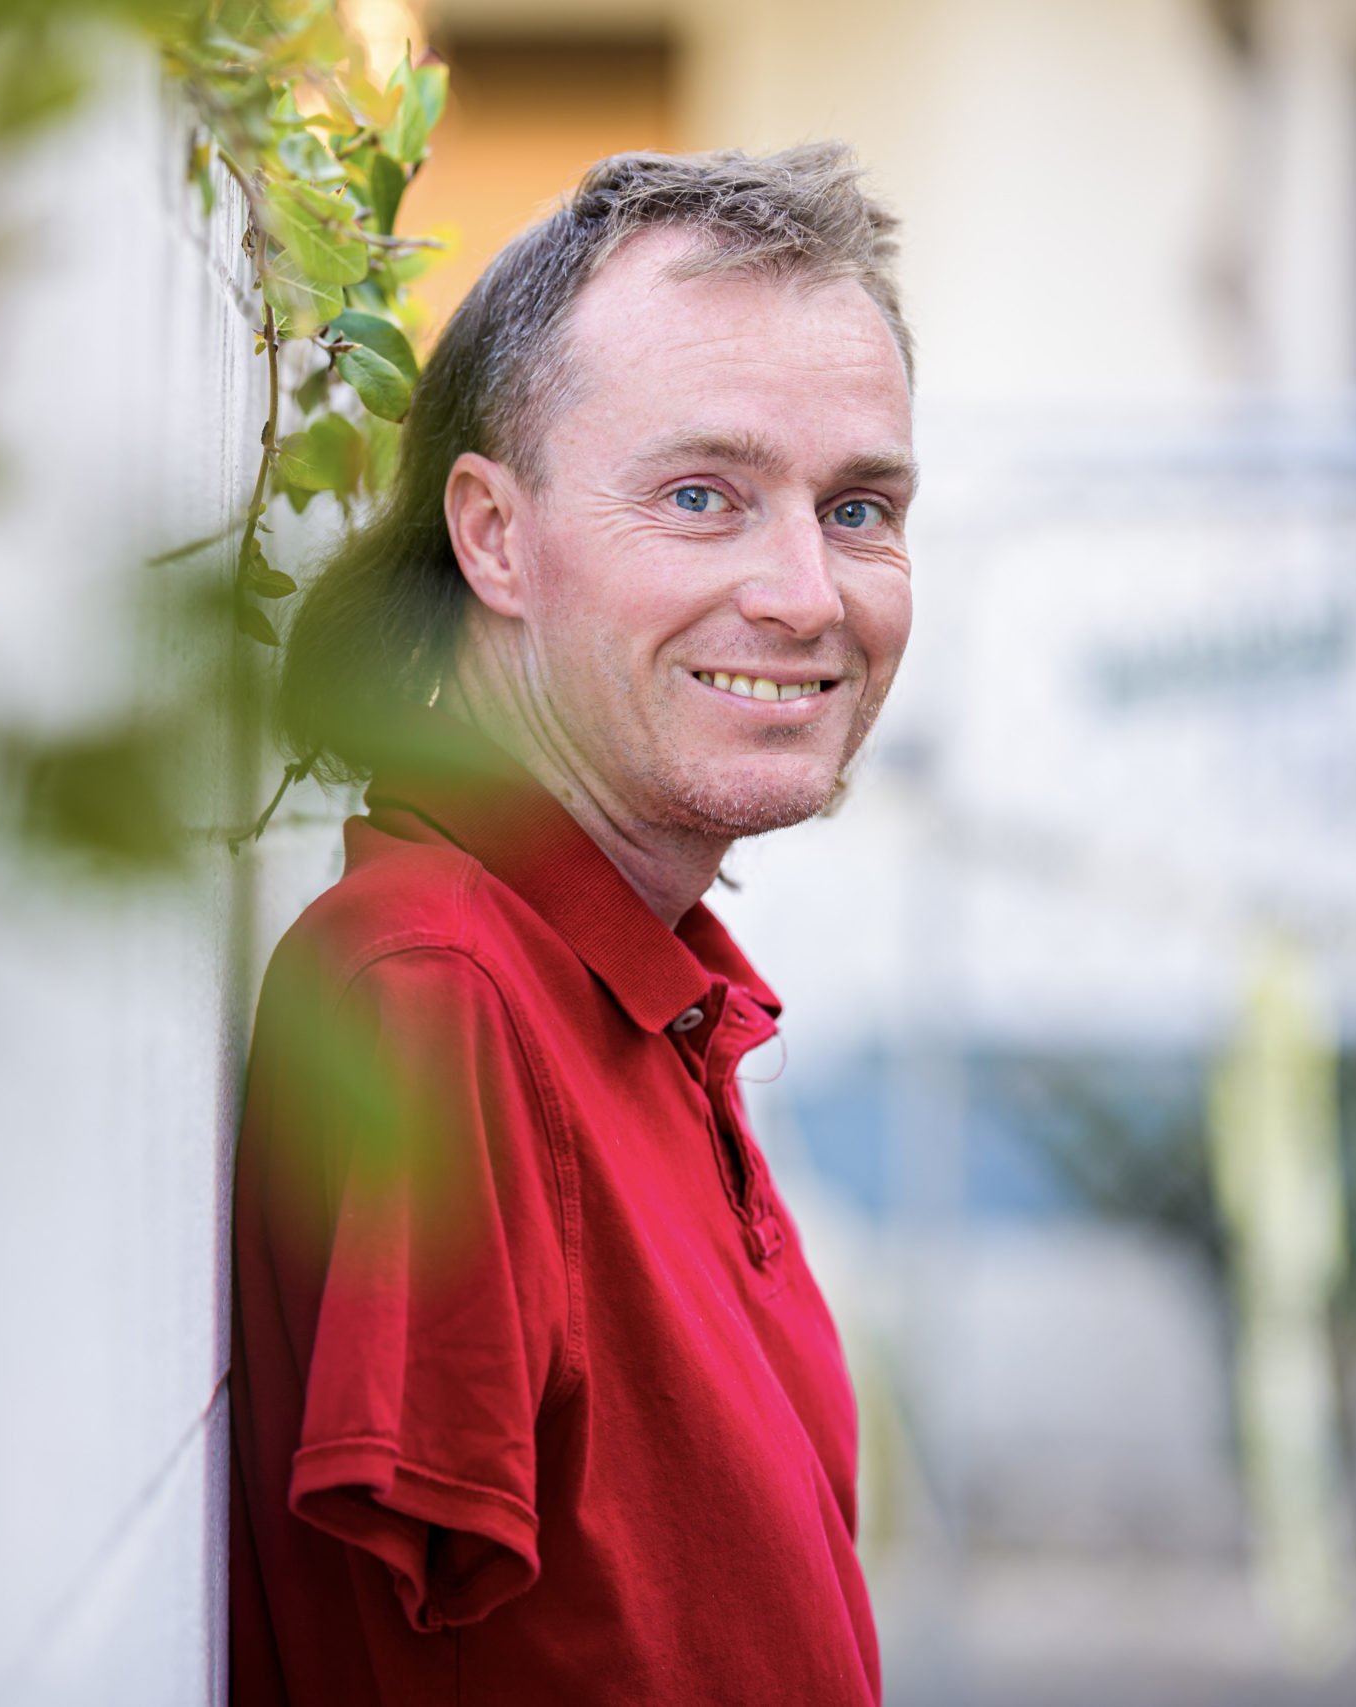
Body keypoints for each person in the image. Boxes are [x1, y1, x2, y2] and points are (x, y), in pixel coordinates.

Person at [229, 143, 915, 1706]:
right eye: (701, 496)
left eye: (860, 507)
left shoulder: (628, 990)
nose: (809, 591)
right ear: (492, 535)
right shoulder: (441, 994)